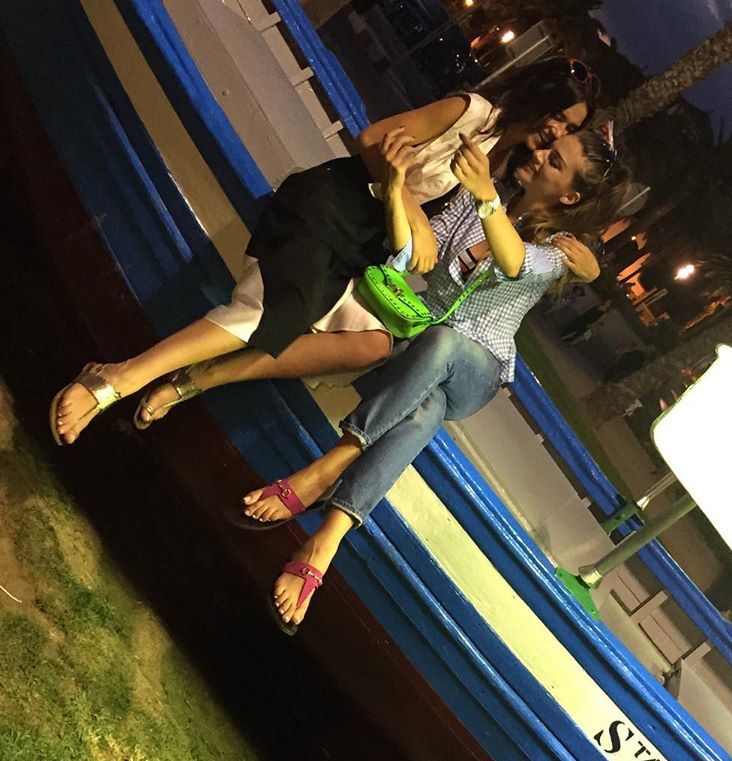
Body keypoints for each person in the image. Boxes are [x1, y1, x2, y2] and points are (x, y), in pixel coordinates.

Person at [48, 57, 602, 445]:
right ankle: (120, 378)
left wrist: (584, 263)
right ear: (539, 98)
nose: (556, 131)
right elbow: (371, 139)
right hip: (336, 203)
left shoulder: (505, 169)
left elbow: (516, 246)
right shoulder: (472, 113)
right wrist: (411, 209)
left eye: (568, 129)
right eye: (560, 117)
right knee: (279, 309)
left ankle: (198, 378)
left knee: (374, 344)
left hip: (367, 247)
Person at [242, 125, 630, 634]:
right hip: (421, 347)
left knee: (445, 344)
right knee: (425, 410)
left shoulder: (560, 248)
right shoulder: (481, 198)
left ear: (569, 196)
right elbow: (420, 250)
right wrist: (399, 190)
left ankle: (328, 465)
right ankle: (327, 538)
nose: (539, 156)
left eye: (554, 162)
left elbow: (515, 263)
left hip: (476, 366)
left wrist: (487, 197)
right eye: (547, 149)